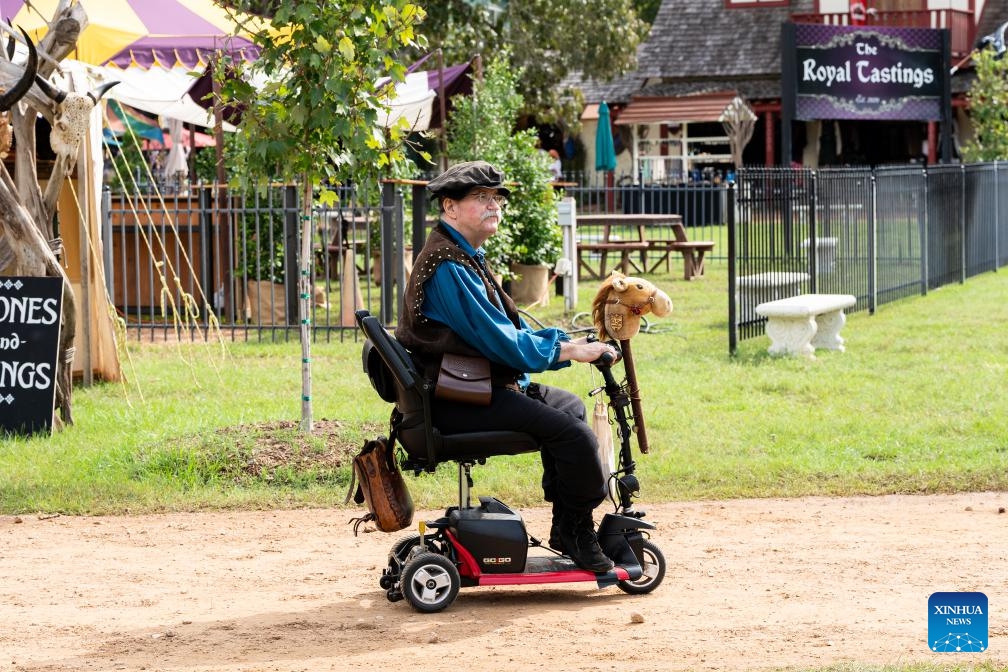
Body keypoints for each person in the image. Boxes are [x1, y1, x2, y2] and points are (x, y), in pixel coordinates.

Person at [395, 160, 617, 573]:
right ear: (450, 207)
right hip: (458, 399)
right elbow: (500, 342)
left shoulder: (463, 254)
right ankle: (578, 533)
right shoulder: (448, 265)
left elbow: (502, 333)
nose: (494, 205)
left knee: (570, 409)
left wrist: (566, 344)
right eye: (481, 198)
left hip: (471, 387)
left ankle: (567, 526)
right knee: (576, 438)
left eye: (496, 198)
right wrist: (568, 351)